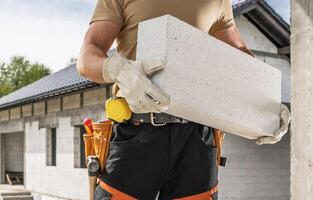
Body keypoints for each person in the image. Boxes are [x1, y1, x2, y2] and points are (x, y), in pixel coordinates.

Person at [77, 0, 290, 199]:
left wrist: (266, 106)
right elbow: (87, 57)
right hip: (135, 133)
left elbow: (241, 57)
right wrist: (117, 70)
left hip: (197, 139)